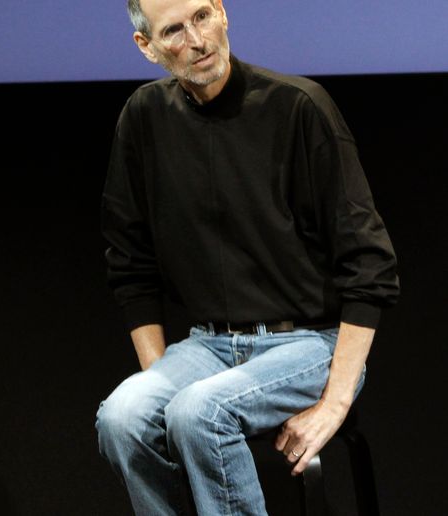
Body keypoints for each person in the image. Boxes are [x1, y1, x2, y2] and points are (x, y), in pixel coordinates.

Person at [95, 0, 399, 514]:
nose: (197, 40)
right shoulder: (144, 117)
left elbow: (370, 263)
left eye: (202, 16)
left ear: (222, 11)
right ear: (146, 47)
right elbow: (130, 263)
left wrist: (336, 402)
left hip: (310, 342)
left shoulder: (299, 105)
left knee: (198, 411)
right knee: (122, 417)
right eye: (174, 30)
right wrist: (158, 380)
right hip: (208, 344)